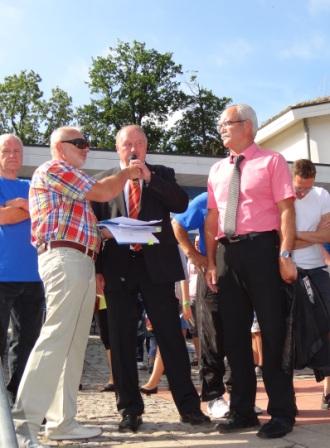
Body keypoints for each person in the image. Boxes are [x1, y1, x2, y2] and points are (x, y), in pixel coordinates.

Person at [12, 126, 141, 448]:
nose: (86, 148)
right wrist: (127, 172)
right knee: (56, 339)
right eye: (80, 143)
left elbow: (85, 220)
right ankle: (22, 427)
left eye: (87, 143)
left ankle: (62, 422)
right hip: (64, 257)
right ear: (59, 146)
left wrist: (108, 232)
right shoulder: (56, 169)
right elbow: (103, 191)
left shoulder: (68, 181)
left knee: (72, 346)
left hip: (79, 259)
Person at [92, 124, 209, 433]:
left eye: (139, 143)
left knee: (171, 337)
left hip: (156, 268)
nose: (134, 148)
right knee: (121, 340)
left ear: (146, 147)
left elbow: (181, 205)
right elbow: (94, 228)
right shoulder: (103, 181)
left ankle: (189, 407)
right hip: (117, 268)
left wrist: (149, 178)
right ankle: (129, 409)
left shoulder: (162, 173)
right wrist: (97, 270)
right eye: (127, 143)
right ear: (117, 148)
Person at [205, 104, 297, 439]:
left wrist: (285, 253)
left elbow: (287, 211)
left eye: (226, 123)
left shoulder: (272, 162)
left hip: (263, 250)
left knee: (272, 334)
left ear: (247, 126)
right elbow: (212, 219)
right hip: (228, 253)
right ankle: (243, 410)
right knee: (233, 335)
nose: (221, 129)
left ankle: (282, 412)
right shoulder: (216, 170)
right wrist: (211, 261)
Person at [172, 192, 230, 419]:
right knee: (211, 338)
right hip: (212, 275)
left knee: (239, 338)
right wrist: (194, 254)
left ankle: (241, 395)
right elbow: (177, 223)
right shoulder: (207, 198)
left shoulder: (251, 194)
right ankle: (213, 396)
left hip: (241, 275)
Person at [0, 134, 45, 406]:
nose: (13, 155)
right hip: (2, 276)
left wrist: (17, 206)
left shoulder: (32, 185)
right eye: (6, 150)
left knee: (27, 341)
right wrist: (22, 209)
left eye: (18, 150)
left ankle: (17, 396)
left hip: (33, 276)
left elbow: (42, 213)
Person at [292, 158, 330, 410]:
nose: (303, 192)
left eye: (308, 187)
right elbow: (280, 241)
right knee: (289, 335)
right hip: (289, 271)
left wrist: (296, 235)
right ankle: (286, 398)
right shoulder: (282, 194)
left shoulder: (322, 194)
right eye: (299, 188)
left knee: (327, 328)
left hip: (317, 269)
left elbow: (327, 235)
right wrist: (312, 235)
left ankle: (328, 390)